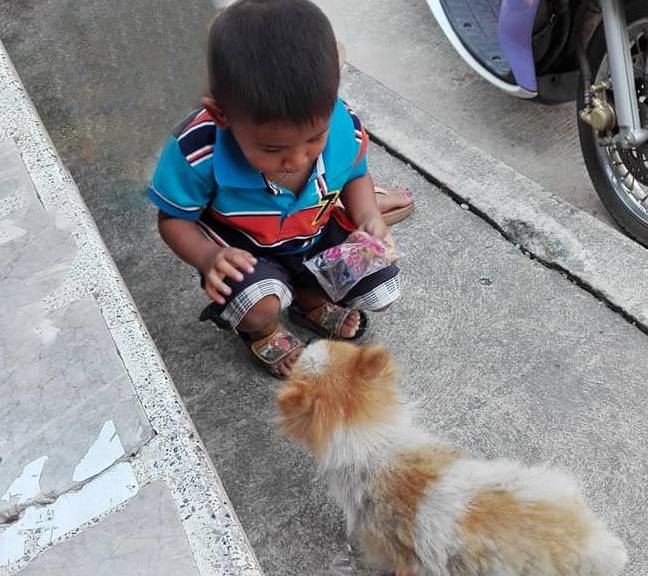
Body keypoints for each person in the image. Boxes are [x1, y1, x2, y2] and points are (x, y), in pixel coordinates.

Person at [148, 0, 411, 377]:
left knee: (380, 288)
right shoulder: (198, 150)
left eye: (314, 139)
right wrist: (207, 258)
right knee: (257, 304)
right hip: (245, 250)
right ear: (221, 115)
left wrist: (368, 215)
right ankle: (262, 330)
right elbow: (173, 219)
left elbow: (355, 174)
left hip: (315, 234)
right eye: (272, 149)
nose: (297, 160)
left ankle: (307, 298)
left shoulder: (340, 123)